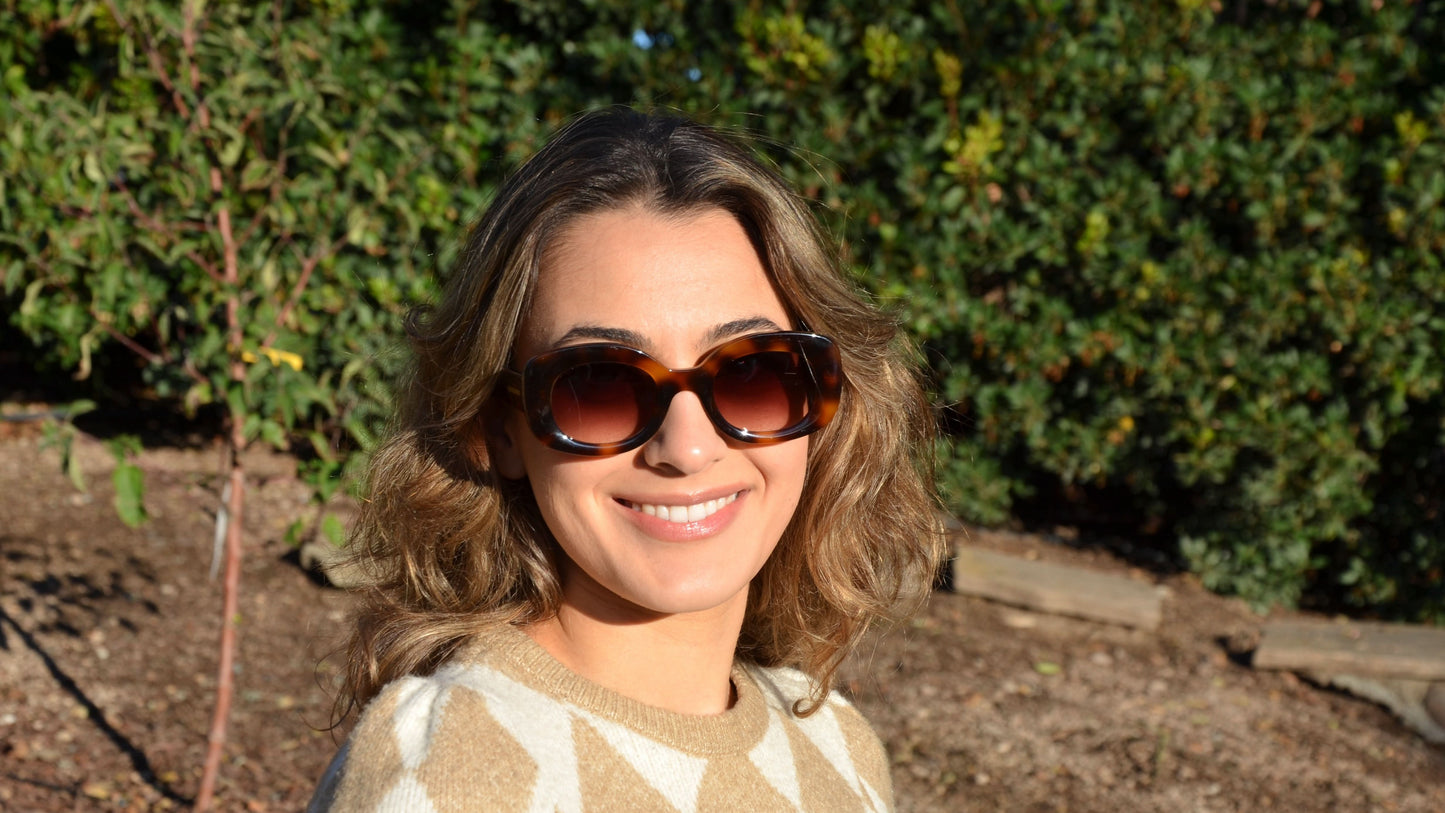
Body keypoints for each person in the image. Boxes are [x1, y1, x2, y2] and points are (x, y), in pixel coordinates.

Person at [309, 107, 941, 812]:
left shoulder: (834, 744)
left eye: (753, 374)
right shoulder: (451, 778)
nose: (688, 448)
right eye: (598, 385)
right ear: (501, 426)